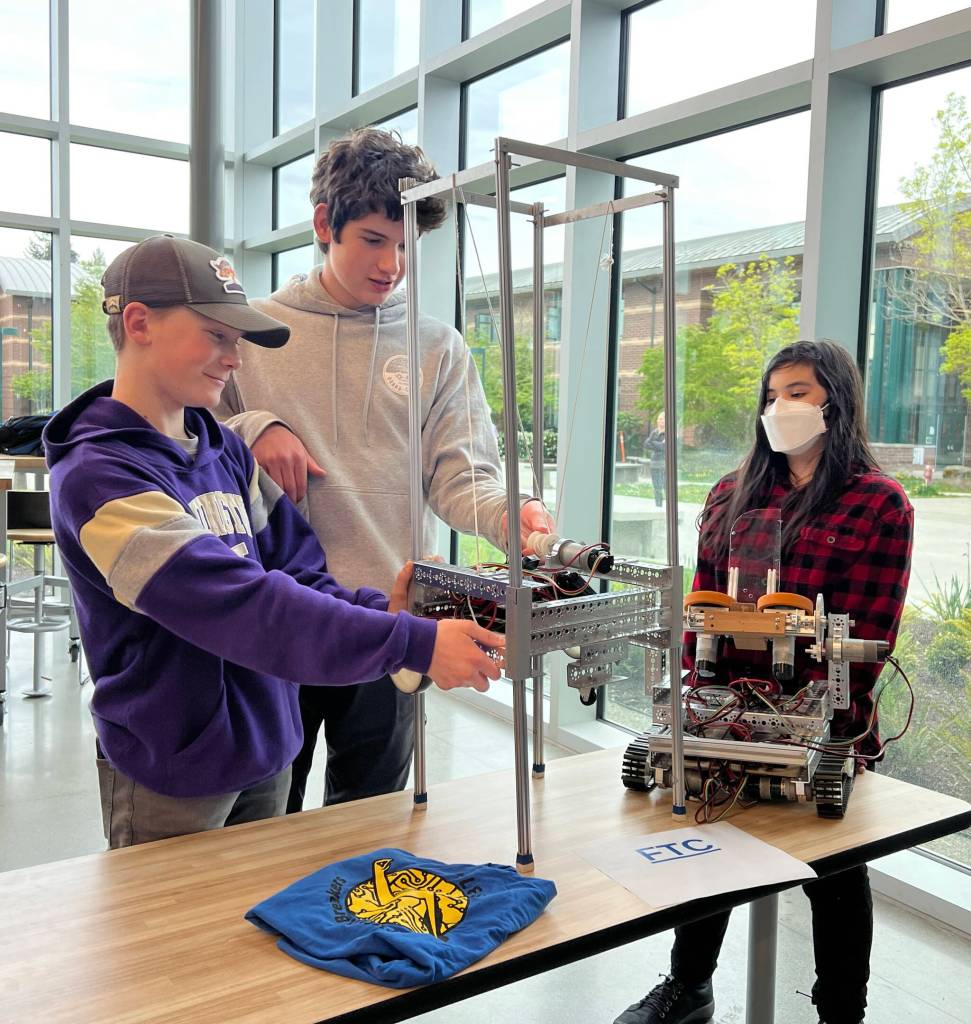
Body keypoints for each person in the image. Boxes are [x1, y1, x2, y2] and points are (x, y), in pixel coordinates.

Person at [44, 235, 505, 849]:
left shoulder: (226, 450)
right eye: (216, 335)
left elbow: (300, 574)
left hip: (266, 750)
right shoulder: (99, 477)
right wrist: (411, 642)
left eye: (236, 340)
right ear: (139, 323)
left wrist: (382, 611)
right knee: (180, 942)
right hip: (172, 773)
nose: (234, 358)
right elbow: (239, 605)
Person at [218, 128, 554, 812]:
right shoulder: (249, 332)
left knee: (368, 821)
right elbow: (188, 441)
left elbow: (462, 478)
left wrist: (507, 514)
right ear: (324, 226)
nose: (392, 264)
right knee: (260, 825)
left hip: (391, 616)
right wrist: (255, 429)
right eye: (374, 240)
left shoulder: (436, 346)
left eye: (405, 245)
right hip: (281, 617)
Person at [614, 340, 913, 1024]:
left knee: (832, 873)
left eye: (798, 391)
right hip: (725, 709)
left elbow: (871, 633)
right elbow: (701, 606)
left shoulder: (877, 504)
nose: (780, 406)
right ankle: (687, 988)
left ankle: (842, 1012)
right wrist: (693, 698)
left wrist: (809, 703)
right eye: (772, 393)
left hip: (822, 717)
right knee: (708, 838)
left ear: (834, 402)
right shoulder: (731, 494)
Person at [646, 412, 666, 507]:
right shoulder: (654, 432)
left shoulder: (669, 433)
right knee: (656, 486)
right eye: (659, 419)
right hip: (654, 462)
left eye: (661, 419)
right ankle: (658, 505)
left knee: (665, 486)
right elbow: (646, 444)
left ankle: (668, 508)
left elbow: (664, 447)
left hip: (664, 463)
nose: (659, 421)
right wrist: (658, 444)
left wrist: (653, 443)